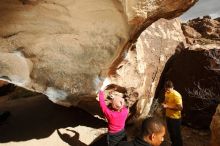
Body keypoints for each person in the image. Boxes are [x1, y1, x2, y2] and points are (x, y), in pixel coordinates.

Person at [162, 80, 183, 146]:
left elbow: (180, 108)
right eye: (166, 89)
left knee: (176, 135)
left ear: (172, 87)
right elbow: (165, 102)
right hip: (168, 116)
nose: (167, 91)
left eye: (168, 89)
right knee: (171, 133)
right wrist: (164, 104)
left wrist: (167, 106)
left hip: (175, 118)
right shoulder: (167, 93)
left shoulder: (176, 95)